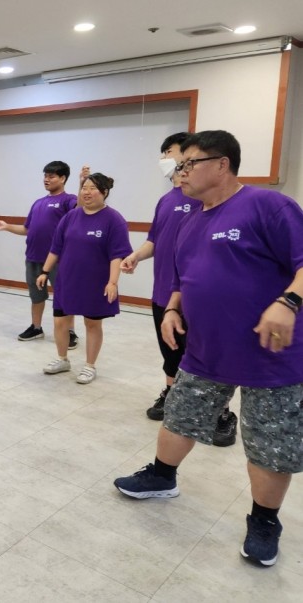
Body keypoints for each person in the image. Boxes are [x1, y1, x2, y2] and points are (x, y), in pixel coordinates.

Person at [114, 130, 303, 568]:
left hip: (270, 353)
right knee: (180, 416)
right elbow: (185, 277)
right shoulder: (190, 221)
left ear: (221, 164)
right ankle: (162, 476)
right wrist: (172, 309)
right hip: (205, 349)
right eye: (178, 166)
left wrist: (288, 302)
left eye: (187, 164)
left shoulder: (268, 206)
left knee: (270, 444)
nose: (179, 173)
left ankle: (264, 520)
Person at [121, 133, 237, 445]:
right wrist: (135, 256)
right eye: (166, 155)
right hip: (165, 292)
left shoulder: (206, 200)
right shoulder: (167, 201)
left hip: (198, 299)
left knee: (206, 359)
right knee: (171, 352)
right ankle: (172, 395)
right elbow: (155, 240)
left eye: (172, 153)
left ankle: (222, 413)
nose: (168, 161)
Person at [36, 172, 132, 384]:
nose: (87, 193)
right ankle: (62, 359)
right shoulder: (70, 217)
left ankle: (90, 366)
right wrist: (45, 271)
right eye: (84, 188)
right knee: (60, 321)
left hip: (95, 282)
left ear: (104, 192)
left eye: (92, 188)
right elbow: (56, 248)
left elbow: (117, 255)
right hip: (68, 279)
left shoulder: (114, 219)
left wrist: (112, 282)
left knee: (92, 324)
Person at [0, 161, 79, 348]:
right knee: (36, 296)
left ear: (62, 178)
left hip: (58, 259)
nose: (46, 179)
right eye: (45, 176)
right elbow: (27, 229)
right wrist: (7, 226)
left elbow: (79, 210)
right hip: (33, 257)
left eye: (51, 176)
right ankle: (36, 327)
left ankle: (69, 331)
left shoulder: (68, 200)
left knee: (64, 296)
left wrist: (83, 182)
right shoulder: (38, 203)